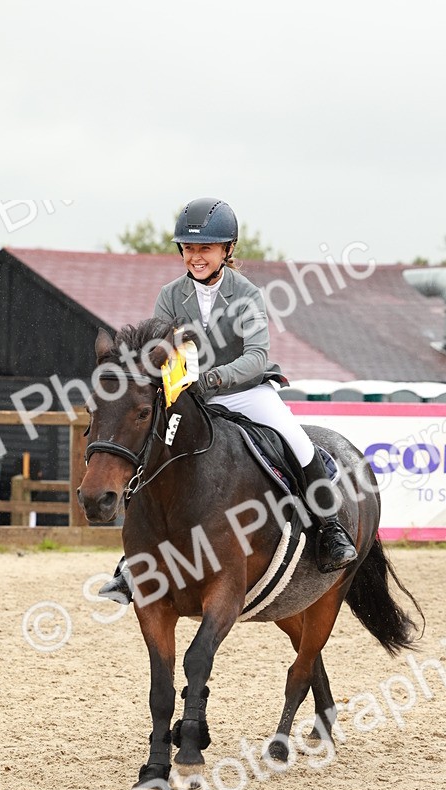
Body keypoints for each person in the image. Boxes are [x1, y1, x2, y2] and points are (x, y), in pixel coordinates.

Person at [99, 196, 357, 604]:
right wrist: (173, 380)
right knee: (150, 450)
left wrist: (214, 377)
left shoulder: (247, 294)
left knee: (298, 441)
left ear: (227, 250)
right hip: (191, 397)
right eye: (188, 248)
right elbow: (163, 349)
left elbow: (256, 356)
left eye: (204, 248)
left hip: (246, 392)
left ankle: (330, 530)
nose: (195, 257)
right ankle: (132, 560)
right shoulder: (170, 295)